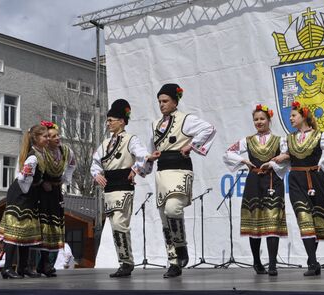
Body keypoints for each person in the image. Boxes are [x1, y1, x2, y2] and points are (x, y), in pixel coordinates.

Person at [148, 83, 216, 278]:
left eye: (165, 101)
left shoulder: (185, 119)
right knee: (164, 217)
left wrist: (192, 145)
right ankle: (173, 262)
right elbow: (150, 149)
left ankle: (181, 247)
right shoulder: (154, 124)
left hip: (180, 170)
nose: (161, 104)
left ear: (175, 101)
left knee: (172, 209)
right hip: (162, 173)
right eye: (159, 101)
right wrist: (147, 162)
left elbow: (209, 129)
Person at [281, 101, 324, 276]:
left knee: (315, 221)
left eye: (293, 115)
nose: (290, 118)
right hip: (296, 180)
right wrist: (274, 161)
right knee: (303, 217)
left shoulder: (320, 136)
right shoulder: (288, 138)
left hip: (315, 180)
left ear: (304, 116)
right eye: (290, 116)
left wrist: (323, 164)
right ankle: (312, 261)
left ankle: (312, 260)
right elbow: (286, 156)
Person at [223, 104, 289, 276]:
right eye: (256, 119)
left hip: (272, 181)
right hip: (254, 180)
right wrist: (244, 161)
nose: (259, 122)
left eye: (262, 119)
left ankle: (273, 264)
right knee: (255, 221)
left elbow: (287, 157)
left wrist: (273, 163)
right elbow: (228, 152)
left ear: (269, 120)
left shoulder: (279, 140)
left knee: (272, 220)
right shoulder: (248, 140)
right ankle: (257, 261)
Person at [91, 99, 152, 278]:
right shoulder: (105, 143)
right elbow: (95, 163)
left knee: (119, 223)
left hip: (124, 187)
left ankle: (126, 262)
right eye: (108, 120)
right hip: (109, 189)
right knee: (114, 225)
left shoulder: (130, 140)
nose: (108, 123)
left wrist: (136, 169)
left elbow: (142, 156)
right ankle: (124, 262)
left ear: (122, 121)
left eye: (112, 119)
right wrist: (97, 174)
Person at [0, 124, 49, 279]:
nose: (47, 139)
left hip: (28, 197)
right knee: (15, 230)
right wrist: (33, 185)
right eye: (45, 136)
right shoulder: (33, 157)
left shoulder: (40, 153)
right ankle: (6, 268)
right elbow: (22, 177)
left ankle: (23, 267)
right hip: (21, 196)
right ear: (36, 138)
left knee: (26, 233)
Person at [37, 120, 76, 277]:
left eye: (58, 135)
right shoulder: (41, 151)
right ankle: (43, 263)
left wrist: (65, 179)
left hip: (55, 191)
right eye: (52, 136)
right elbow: (33, 168)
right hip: (42, 191)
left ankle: (46, 264)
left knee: (55, 226)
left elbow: (72, 164)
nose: (57, 138)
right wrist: (41, 182)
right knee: (44, 227)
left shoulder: (65, 151)